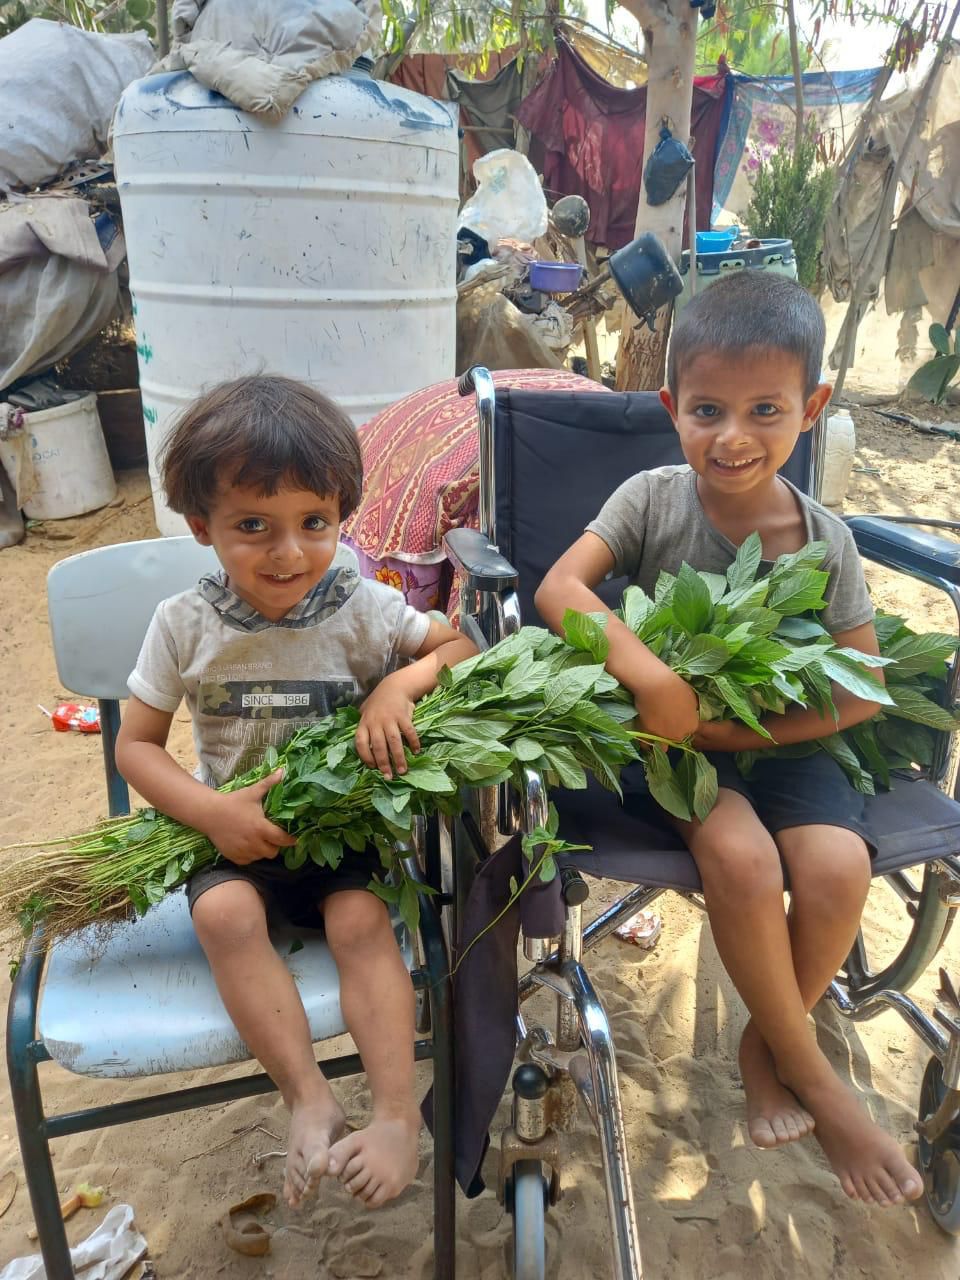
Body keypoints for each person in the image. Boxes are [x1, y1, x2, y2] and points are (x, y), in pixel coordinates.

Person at [535, 271, 923, 1208]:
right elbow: (559, 590)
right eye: (707, 409)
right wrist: (650, 671)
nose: (733, 437)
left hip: (788, 748)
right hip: (675, 759)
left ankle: (766, 1043)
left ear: (813, 409)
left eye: (764, 410)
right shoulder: (651, 500)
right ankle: (820, 1081)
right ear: (671, 408)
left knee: (834, 870)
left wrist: (728, 717)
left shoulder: (823, 541)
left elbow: (863, 683)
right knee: (743, 862)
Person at [115, 375, 477, 1212]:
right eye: (253, 527)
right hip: (232, 832)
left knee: (359, 922)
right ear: (201, 528)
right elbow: (136, 746)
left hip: (342, 833)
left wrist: (397, 688)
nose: (288, 553)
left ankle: (394, 1117)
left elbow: (460, 647)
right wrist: (209, 812)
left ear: (341, 516)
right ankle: (308, 1093)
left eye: (314, 524)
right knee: (222, 915)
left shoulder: (360, 607)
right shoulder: (183, 622)